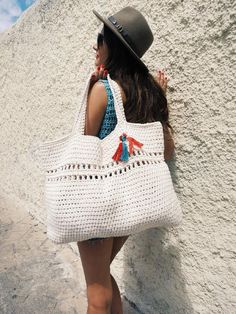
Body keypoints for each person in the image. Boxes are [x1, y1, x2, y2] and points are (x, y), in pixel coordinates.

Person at [77, 6, 175, 314]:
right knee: (102, 276)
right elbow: (165, 150)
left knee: (96, 297)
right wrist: (161, 99)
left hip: (96, 204)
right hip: (128, 204)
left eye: (100, 39)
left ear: (112, 48)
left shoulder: (103, 90)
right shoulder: (149, 95)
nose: (96, 46)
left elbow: (84, 148)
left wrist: (91, 87)